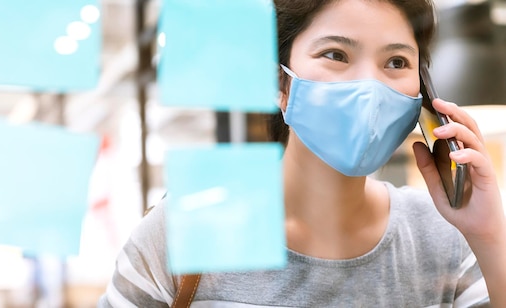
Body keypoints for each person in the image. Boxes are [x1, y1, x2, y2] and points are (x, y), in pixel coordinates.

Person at [99, 0, 506, 306]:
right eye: (336, 55)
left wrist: (489, 235)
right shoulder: (184, 231)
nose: (369, 85)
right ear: (280, 80)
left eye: (396, 61)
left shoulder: (444, 239)